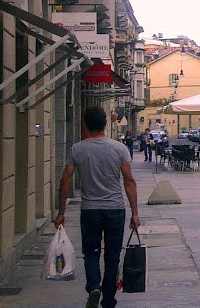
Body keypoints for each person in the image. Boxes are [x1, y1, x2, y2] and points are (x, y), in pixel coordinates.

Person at [54, 107, 139, 308]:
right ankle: (108, 299)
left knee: (91, 253)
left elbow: (65, 181)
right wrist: (135, 213)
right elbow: (129, 181)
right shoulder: (119, 149)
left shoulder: (77, 149)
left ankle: (93, 286)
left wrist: (61, 212)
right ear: (105, 123)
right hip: (115, 210)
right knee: (112, 256)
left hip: (90, 210)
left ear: (85, 126)